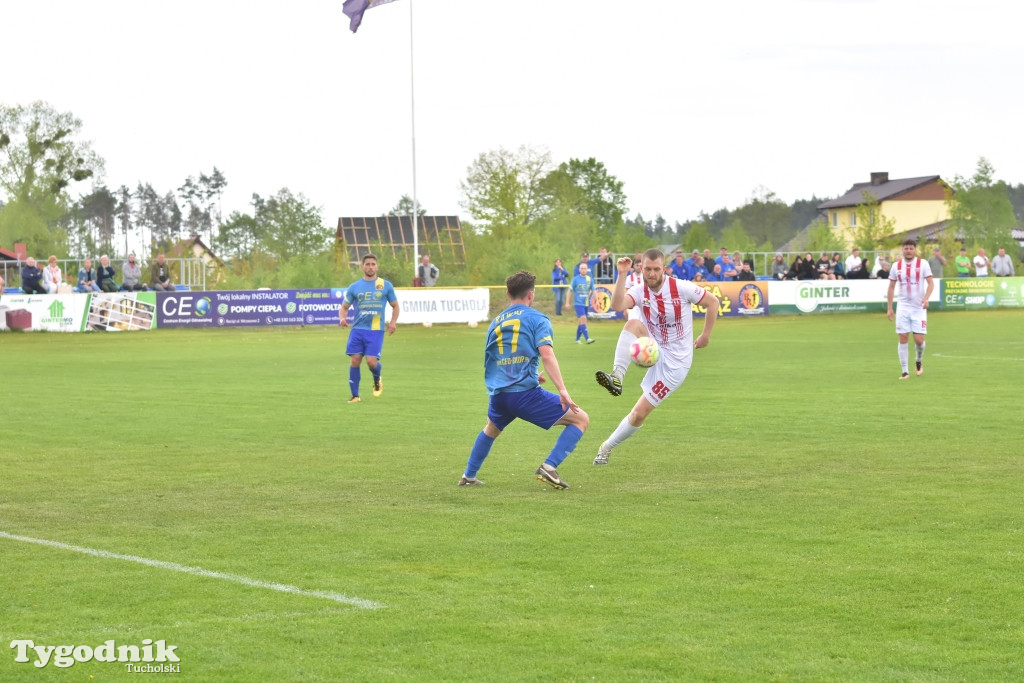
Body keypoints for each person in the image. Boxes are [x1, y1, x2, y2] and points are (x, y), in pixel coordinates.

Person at [458, 270, 588, 489]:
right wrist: (563, 390)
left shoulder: (496, 322)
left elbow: (495, 358)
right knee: (581, 419)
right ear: (531, 294)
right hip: (525, 395)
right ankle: (549, 466)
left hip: (499, 395)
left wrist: (527, 374)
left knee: (491, 428)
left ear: (509, 294)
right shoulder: (537, 319)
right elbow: (546, 354)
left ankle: (468, 476)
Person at [592, 249, 719, 464]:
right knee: (632, 323)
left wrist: (705, 336)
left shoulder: (681, 287)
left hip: (677, 363)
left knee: (639, 414)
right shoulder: (639, 290)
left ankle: (606, 446)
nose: (651, 274)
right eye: (647, 269)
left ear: (664, 269)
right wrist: (622, 274)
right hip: (655, 345)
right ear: (641, 268)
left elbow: (713, 302)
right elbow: (616, 306)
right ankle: (617, 376)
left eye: (656, 269)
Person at [338, 253, 400, 403]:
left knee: (372, 362)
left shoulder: (386, 285)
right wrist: (342, 318)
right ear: (362, 267)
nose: (370, 267)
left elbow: (395, 306)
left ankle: (377, 378)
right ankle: (355, 396)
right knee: (355, 360)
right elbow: (344, 307)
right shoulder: (354, 287)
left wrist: (392, 322)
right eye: (367, 264)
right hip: (358, 329)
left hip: (375, 330)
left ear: (377, 266)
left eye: (373, 264)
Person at [887, 238, 934, 380]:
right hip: (903, 307)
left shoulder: (923, 264)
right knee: (903, 337)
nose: (908, 251)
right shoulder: (896, 266)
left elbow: (931, 283)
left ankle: (918, 360)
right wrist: (890, 308)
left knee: (919, 340)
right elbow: (891, 287)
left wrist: (926, 298)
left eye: (911, 248)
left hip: (918, 308)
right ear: (902, 250)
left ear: (915, 250)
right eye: (906, 248)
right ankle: (905, 371)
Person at [570, 262, 596, 344]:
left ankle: (577, 339)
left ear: (587, 269)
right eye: (582, 268)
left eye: (585, 268)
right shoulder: (575, 279)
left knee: (581, 322)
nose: (583, 270)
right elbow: (569, 290)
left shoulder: (589, 279)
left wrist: (597, 301)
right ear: (579, 270)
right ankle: (587, 338)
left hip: (586, 304)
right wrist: (567, 302)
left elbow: (594, 290)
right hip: (578, 304)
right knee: (583, 319)